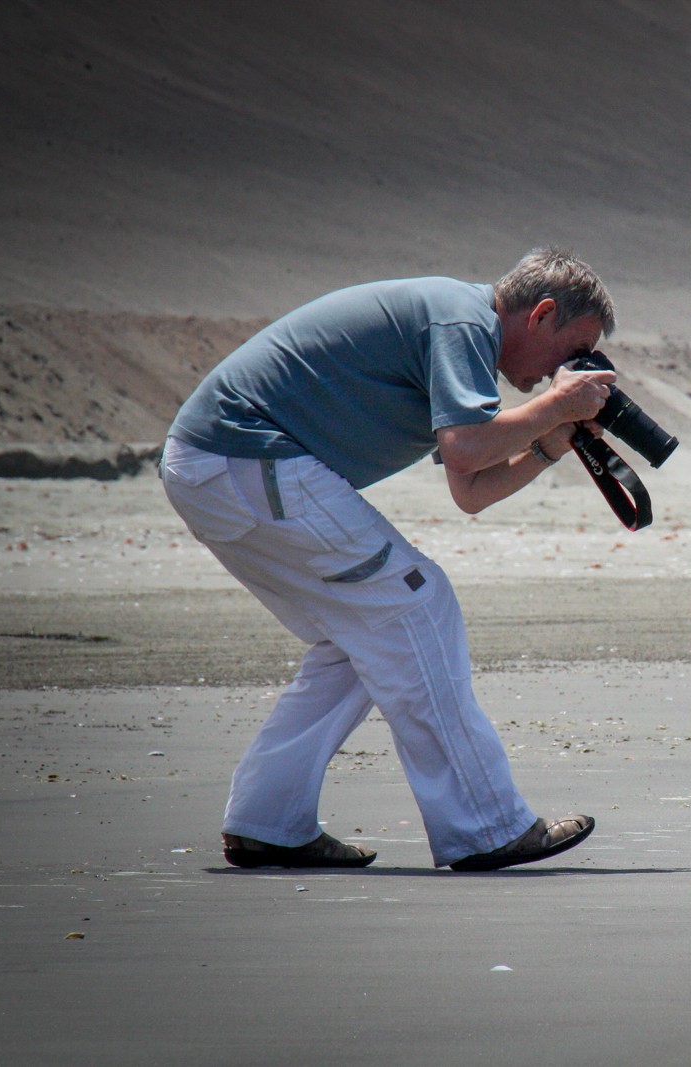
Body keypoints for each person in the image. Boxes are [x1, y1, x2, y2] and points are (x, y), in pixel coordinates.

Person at [161, 247, 616, 871]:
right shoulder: (463, 321)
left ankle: (268, 824)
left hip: (214, 467)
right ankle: (486, 827)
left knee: (359, 639)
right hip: (248, 456)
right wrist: (561, 406)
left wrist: (549, 446)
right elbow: (465, 452)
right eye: (573, 351)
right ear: (540, 315)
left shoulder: (464, 332)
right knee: (417, 601)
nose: (570, 370)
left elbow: (471, 491)